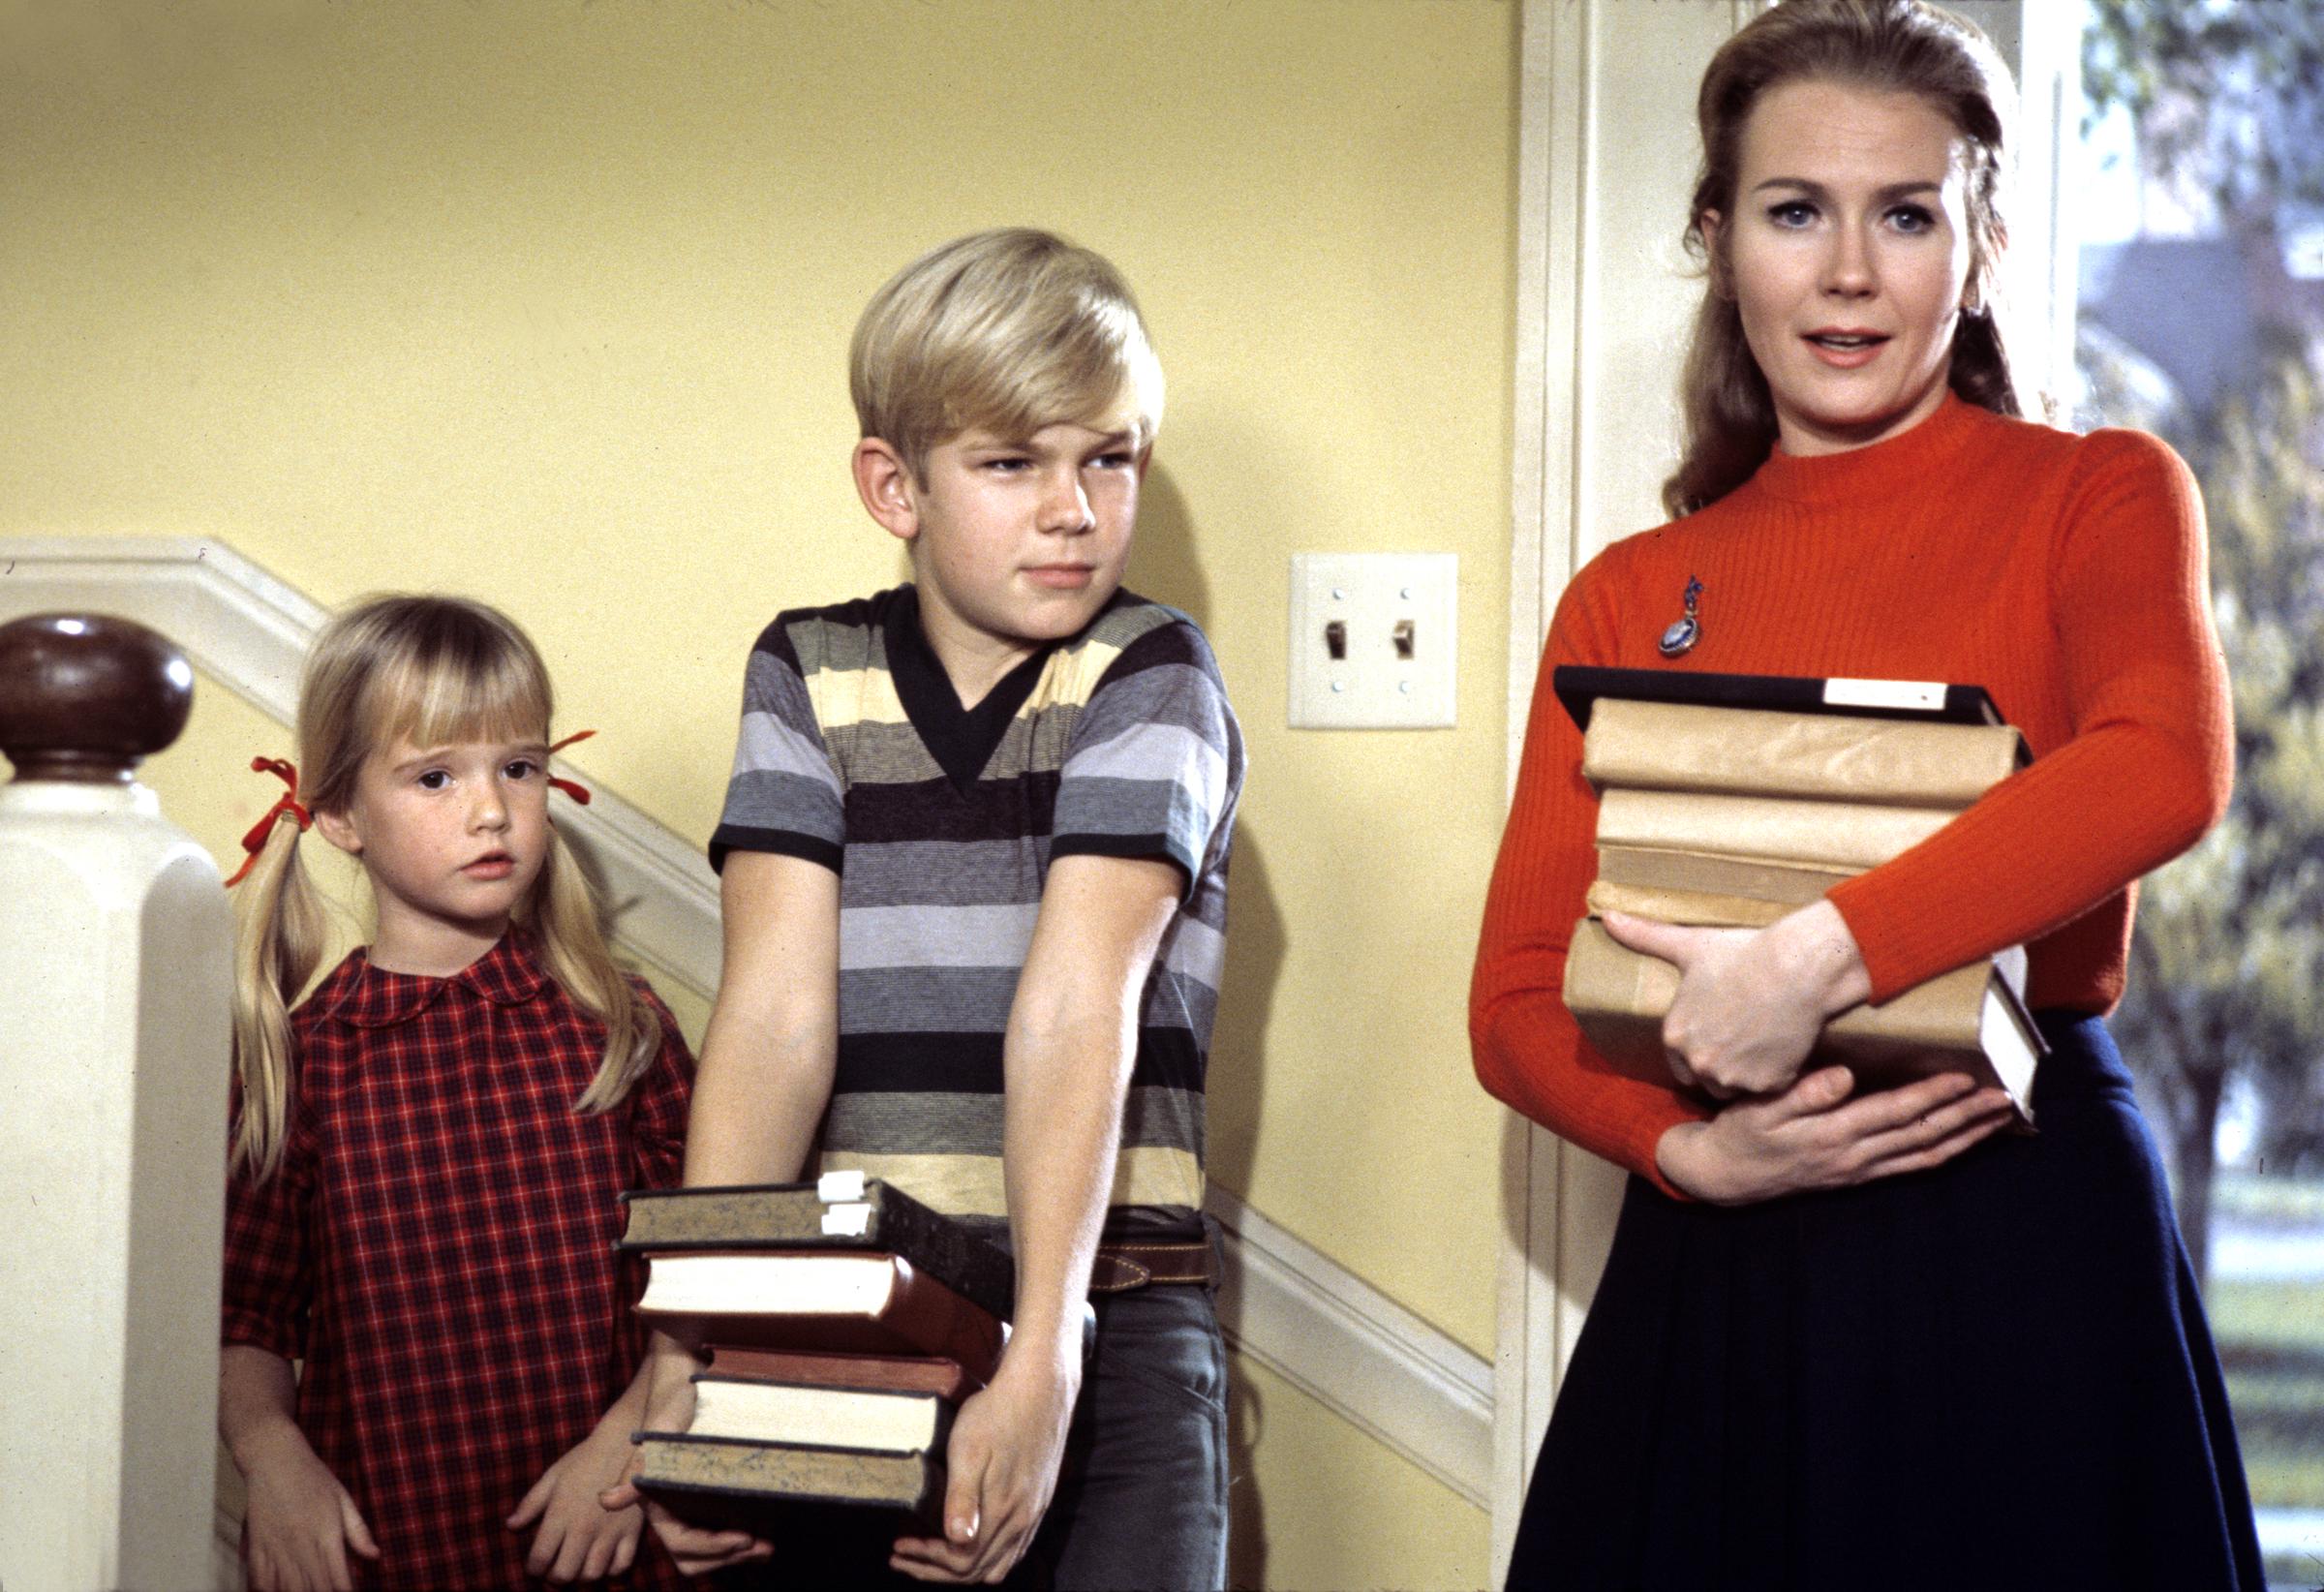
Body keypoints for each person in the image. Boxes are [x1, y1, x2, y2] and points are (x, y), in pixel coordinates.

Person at [1469, 3, 2263, 1587]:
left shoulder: (2095, 493)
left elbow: (2161, 759)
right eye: (1793, 211)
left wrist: (1812, 962)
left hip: (2022, 1218)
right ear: (1717, 237)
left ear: (1983, 244)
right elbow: (1513, 1000)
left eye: (1905, 213)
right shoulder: (1633, 592)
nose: (1847, 272)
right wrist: (1689, 1153)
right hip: (1728, 1245)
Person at [610, 228, 1243, 1587]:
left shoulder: (1153, 672)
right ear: (893, 485)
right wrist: (690, 1339)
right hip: (858, 1317)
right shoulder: (808, 671)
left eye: (1109, 457)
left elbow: (1079, 1006)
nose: (1072, 507)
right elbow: (777, 1019)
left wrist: (1041, 1361)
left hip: (1109, 1323)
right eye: (1011, 462)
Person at [219, 595, 699, 1591]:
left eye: (519, 768)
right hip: (397, 1551)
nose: (492, 811)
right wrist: (275, 1462)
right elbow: (245, 1321)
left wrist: (632, 1442)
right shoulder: (303, 1058)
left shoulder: (620, 1025)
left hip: (611, 1535)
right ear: (342, 813)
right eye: (436, 776)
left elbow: (712, 1268)